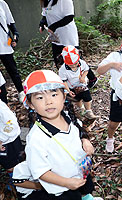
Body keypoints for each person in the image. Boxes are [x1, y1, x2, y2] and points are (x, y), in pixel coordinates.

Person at [22, 70, 99, 199]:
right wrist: (66, 183)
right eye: (40, 97)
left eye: (54, 94)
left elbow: (79, 130)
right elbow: (40, 171)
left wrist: (85, 140)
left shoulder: (68, 117)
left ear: (64, 96)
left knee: (86, 190)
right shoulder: (36, 138)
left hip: (80, 172)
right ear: (31, 104)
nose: (48, 102)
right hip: (62, 187)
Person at [39, 0, 98, 88]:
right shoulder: (46, 1)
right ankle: (67, 82)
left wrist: (53, 27)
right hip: (55, 36)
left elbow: (69, 17)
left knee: (75, 59)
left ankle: (92, 79)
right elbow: (45, 15)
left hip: (67, 35)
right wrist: (42, 24)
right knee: (58, 59)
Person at [59, 45, 99, 119]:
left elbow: (86, 70)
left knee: (87, 97)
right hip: (71, 86)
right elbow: (64, 81)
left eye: (75, 64)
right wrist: (68, 91)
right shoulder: (62, 70)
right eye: (71, 65)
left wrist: (83, 77)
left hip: (81, 84)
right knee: (77, 99)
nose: (74, 66)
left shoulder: (82, 63)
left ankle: (89, 111)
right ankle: (81, 109)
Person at [0, 0, 25, 103]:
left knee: (13, 71)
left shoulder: (2, 3)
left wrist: (15, 36)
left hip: (4, 45)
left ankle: (21, 92)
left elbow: (11, 24)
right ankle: (3, 101)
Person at [0, 97, 24, 188]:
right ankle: (15, 182)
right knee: (10, 164)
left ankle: (18, 179)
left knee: (15, 160)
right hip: (5, 140)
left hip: (10, 138)